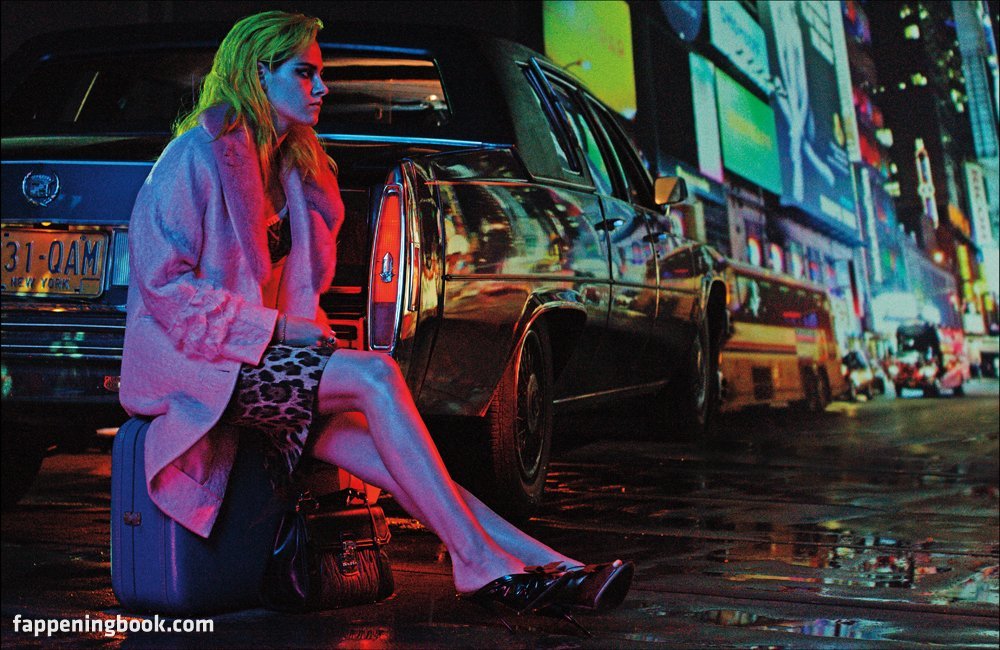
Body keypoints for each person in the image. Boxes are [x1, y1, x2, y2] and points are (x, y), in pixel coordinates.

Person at [119, 10, 632, 621]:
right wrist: (277, 330)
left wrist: (290, 336)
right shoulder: (195, 156)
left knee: (409, 468)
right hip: (197, 364)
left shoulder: (294, 167)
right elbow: (165, 288)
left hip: (259, 366)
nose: (322, 87)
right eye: (304, 73)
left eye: (320, 74)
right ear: (258, 74)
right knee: (376, 376)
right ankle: (474, 562)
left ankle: (556, 567)